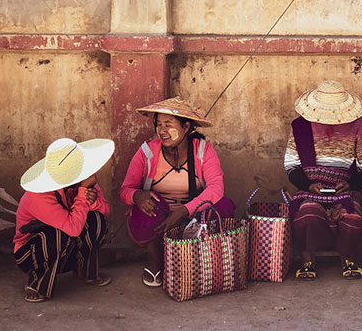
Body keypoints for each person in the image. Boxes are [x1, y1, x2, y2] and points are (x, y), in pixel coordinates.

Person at [120, 97, 235, 287]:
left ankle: (197, 257)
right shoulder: (147, 152)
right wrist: (137, 196)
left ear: (186, 127)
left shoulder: (203, 151)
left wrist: (183, 211)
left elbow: (216, 188)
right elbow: (125, 190)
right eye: (158, 124)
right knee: (143, 211)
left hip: (194, 217)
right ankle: (156, 260)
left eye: (168, 124)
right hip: (160, 217)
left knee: (224, 205)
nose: (162, 130)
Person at [284, 80, 362, 280]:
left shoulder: (358, 126)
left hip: (346, 192)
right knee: (306, 214)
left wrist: (351, 184)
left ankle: (348, 258)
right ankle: (307, 260)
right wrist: (308, 185)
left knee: (352, 218)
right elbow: (291, 164)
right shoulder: (300, 126)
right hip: (310, 190)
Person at [14, 138, 115, 303]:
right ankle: (37, 284)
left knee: (97, 221)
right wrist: (83, 194)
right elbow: (72, 228)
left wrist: (93, 200)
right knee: (56, 235)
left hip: (67, 249)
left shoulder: (84, 182)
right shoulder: (39, 195)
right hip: (32, 253)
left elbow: (105, 212)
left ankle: (84, 272)